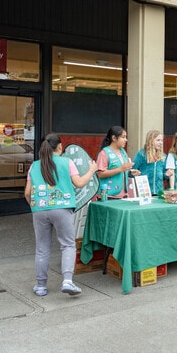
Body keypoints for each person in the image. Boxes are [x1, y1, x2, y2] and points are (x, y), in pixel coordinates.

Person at [24, 133, 98, 297]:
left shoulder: (35, 166)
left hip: (39, 210)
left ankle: (41, 286)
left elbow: (27, 193)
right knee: (68, 245)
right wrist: (92, 170)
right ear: (59, 147)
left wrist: (35, 207)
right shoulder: (67, 162)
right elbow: (79, 183)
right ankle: (67, 281)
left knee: (42, 249)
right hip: (62, 209)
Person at [96, 126, 137, 199]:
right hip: (109, 196)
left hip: (123, 195)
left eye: (126, 137)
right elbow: (100, 174)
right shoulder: (104, 153)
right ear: (114, 138)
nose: (126, 140)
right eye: (123, 137)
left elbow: (124, 171)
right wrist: (120, 169)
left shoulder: (123, 152)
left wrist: (131, 173)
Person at [132, 130, 172, 196]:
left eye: (161, 140)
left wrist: (167, 175)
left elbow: (164, 176)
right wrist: (136, 173)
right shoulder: (141, 154)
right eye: (158, 140)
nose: (161, 143)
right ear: (150, 141)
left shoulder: (163, 156)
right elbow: (131, 171)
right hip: (144, 191)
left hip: (159, 192)